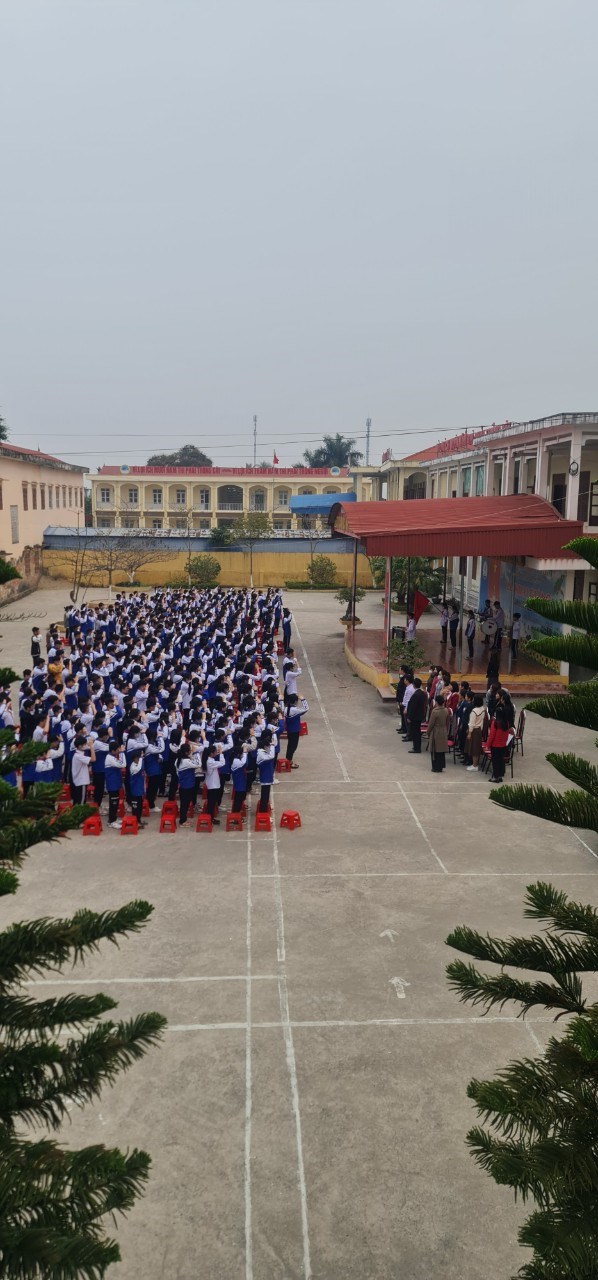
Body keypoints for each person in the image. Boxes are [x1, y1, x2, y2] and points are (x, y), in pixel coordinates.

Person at [426, 695, 450, 773]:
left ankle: (435, 767)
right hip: (443, 730)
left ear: (436, 702)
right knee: (441, 750)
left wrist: (428, 732)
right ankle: (441, 766)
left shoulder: (435, 711)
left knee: (435, 749)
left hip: (436, 731)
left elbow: (431, 723)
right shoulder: (446, 710)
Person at [70, 734, 95, 805]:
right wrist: (91, 747)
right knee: (81, 803)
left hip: (79, 782)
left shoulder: (78, 753)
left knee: (77, 801)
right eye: (84, 744)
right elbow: (93, 759)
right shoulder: (78, 756)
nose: (86, 745)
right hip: (81, 782)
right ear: (80, 746)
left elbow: (86, 746)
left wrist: (90, 743)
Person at [487, 707, 510, 782]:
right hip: (503, 745)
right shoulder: (506, 723)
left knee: (495, 761)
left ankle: (495, 777)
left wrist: (488, 745)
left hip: (495, 745)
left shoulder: (495, 723)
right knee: (501, 761)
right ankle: (500, 776)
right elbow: (507, 735)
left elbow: (492, 735)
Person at [256, 729, 276, 813]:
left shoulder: (262, 752)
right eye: (268, 747)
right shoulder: (262, 755)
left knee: (265, 795)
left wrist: (272, 743)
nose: (269, 748)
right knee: (265, 796)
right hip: (265, 777)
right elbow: (271, 756)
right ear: (265, 747)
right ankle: (263, 812)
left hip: (267, 776)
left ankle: (263, 809)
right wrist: (273, 745)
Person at [405, 678, 427, 754]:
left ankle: (416, 748)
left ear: (414, 685)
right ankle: (416, 747)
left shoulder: (416, 695)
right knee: (417, 732)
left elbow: (413, 707)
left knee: (415, 732)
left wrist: (409, 717)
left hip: (415, 717)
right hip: (420, 715)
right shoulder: (422, 693)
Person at [465, 695, 485, 770]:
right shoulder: (483, 709)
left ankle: (474, 765)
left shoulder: (474, 711)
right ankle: (475, 764)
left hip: (474, 730)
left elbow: (471, 723)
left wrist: (469, 733)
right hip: (479, 729)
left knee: (474, 748)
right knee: (476, 747)